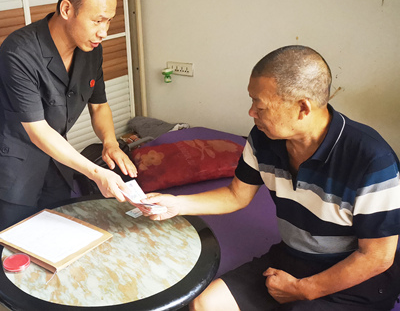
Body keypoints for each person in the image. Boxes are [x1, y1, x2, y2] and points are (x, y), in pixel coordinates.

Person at [142, 46, 400, 311]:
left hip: (354, 278)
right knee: (204, 304)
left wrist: (303, 289)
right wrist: (175, 204)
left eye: (260, 105)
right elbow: (236, 195)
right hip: (291, 257)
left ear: (302, 108)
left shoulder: (372, 160)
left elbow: (377, 257)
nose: (251, 112)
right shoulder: (263, 139)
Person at [0, 0, 137, 230]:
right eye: (97, 21)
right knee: (25, 240)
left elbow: (99, 106)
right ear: (67, 9)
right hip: (12, 164)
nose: (104, 32)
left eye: (108, 22)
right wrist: (96, 173)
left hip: (57, 161)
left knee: (61, 231)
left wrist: (110, 143)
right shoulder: (19, 52)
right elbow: (37, 131)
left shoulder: (91, 50)